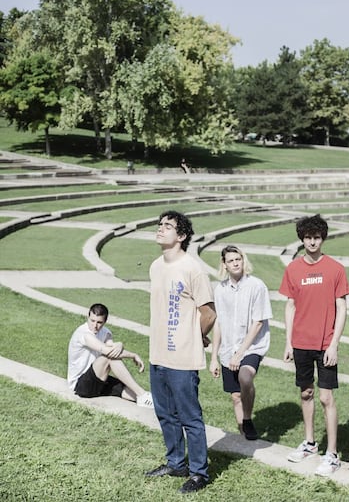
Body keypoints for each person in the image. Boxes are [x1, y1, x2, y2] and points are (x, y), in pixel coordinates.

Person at [145, 210, 216, 494]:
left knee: (190, 417)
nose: (161, 229)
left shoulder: (193, 268)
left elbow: (208, 313)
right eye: (159, 224)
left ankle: (199, 473)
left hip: (183, 357)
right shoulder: (155, 266)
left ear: (182, 235)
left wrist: (194, 336)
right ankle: (176, 463)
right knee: (165, 414)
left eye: (168, 226)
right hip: (158, 353)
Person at [279, 214, 349, 476]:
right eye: (308, 237)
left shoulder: (335, 268)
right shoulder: (293, 269)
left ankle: (332, 455)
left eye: (316, 237)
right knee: (306, 393)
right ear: (302, 239)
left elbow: (341, 308)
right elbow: (290, 306)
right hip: (300, 343)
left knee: (326, 397)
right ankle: (309, 443)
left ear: (323, 239)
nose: (312, 242)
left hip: (325, 344)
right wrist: (288, 342)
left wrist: (334, 344)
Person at [210, 245, 272, 440]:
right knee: (235, 396)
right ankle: (244, 435)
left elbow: (258, 322)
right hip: (228, 349)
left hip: (252, 347)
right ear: (224, 265)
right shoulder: (219, 290)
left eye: (238, 259)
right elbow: (218, 322)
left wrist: (240, 354)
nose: (236, 263)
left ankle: (247, 419)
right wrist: (213, 357)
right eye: (231, 260)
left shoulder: (256, 286)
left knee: (245, 378)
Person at [67, 303, 153, 408]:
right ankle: (142, 395)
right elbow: (108, 352)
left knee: (123, 387)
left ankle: (153, 401)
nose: (95, 325)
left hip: (98, 377)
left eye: (99, 322)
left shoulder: (105, 332)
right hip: (81, 385)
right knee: (109, 358)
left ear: (105, 321)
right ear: (88, 317)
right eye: (92, 320)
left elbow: (113, 349)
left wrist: (120, 345)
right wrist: (132, 355)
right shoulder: (84, 334)